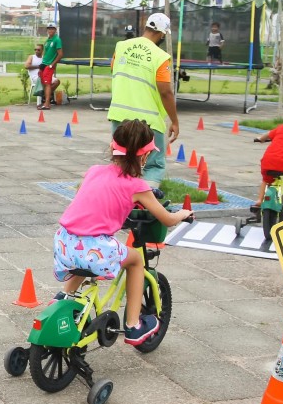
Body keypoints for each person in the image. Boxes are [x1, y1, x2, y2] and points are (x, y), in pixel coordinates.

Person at [53, 119, 193, 344]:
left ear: (112, 147)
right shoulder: (137, 187)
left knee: (84, 251)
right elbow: (166, 219)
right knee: (136, 260)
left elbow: (91, 196)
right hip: (95, 249)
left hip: (64, 242)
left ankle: (63, 298)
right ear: (145, 156)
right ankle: (133, 325)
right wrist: (183, 214)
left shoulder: (94, 171)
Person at [107, 12, 179, 187]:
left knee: (122, 160)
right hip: (149, 122)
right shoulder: (160, 57)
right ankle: (144, 201)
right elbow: (165, 92)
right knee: (153, 165)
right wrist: (175, 121)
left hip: (120, 116)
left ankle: (120, 197)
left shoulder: (121, 46)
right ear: (162, 33)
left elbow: (113, 69)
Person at [38, 23, 62, 109]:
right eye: (49, 29)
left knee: (47, 84)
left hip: (49, 65)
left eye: (52, 29)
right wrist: (41, 64)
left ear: (55, 30)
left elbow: (60, 54)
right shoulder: (48, 40)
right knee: (44, 84)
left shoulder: (57, 40)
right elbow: (45, 53)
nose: (50, 30)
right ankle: (45, 101)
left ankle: (47, 104)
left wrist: (52, 64)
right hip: (44, 64)